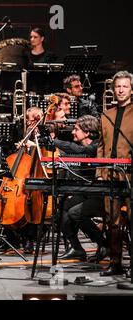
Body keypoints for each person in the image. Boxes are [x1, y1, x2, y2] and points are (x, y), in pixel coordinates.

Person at [96, 70, 133, 276]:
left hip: (130, 176)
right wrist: (100, 172)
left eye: (124, 86)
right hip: (110, 177)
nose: (120, 90)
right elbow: (100, 146)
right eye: (118, 86)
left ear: (131, 90)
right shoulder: (106, 114)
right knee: (112, 223)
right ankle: (115, 263)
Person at [55, 115, 105, 261]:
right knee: (63, 207)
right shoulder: (84, 146)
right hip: (88, 192)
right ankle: (77, 248)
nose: (73, 132)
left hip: (101, 194)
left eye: (76, 129)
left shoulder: (97, 145)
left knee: (75, 213)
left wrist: (54, 141)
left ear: (87, 132)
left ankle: (103, 243)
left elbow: (78, 150)